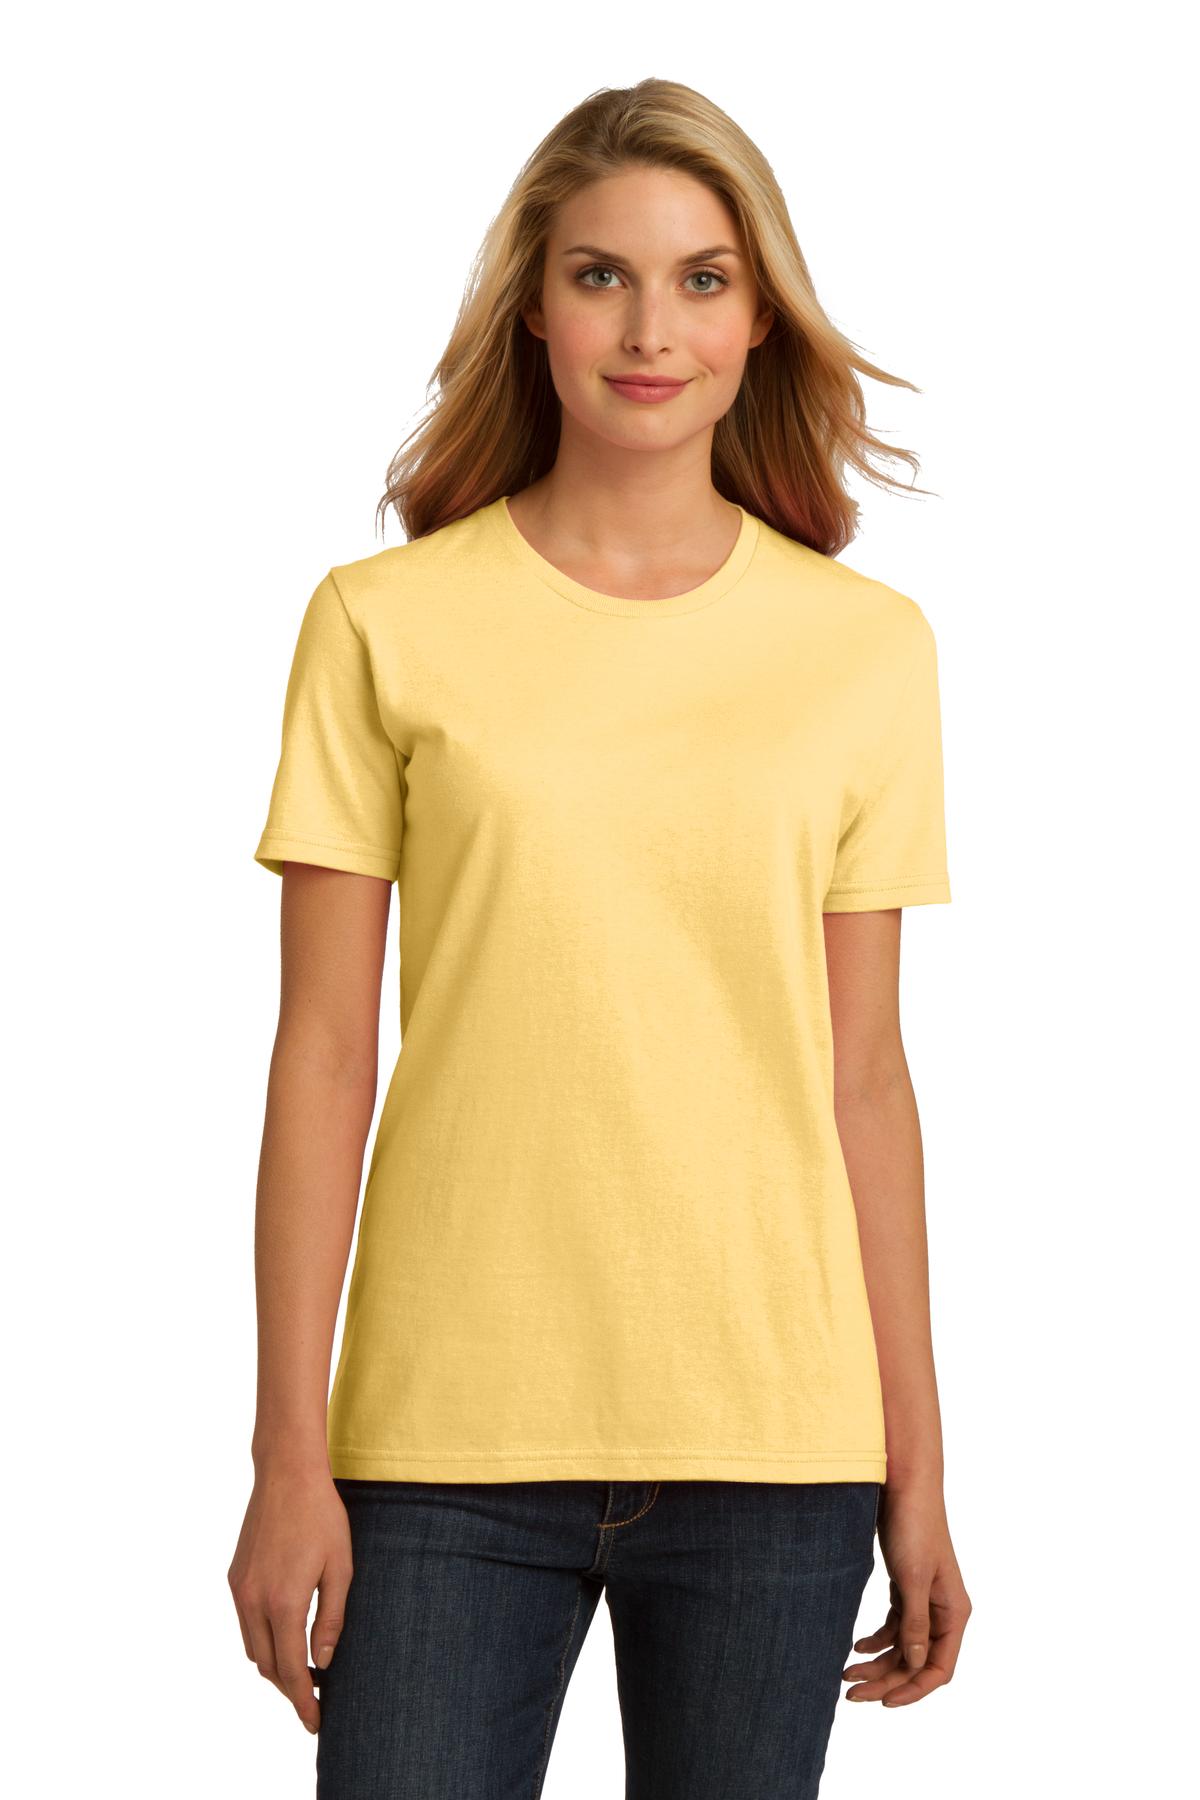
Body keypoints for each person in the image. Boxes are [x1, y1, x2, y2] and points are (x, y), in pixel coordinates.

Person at [228, 76, 972, 1800]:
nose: (652, 331)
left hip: (776, 1441)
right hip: (438, 1447)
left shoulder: (866, 651)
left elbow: (865, 1077)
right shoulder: (382, 625)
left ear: (761, 315)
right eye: (600, 277)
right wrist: (285, 1454)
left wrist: (919, 1466)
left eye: (703, 280)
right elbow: (322, 1057)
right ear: (533, 306)